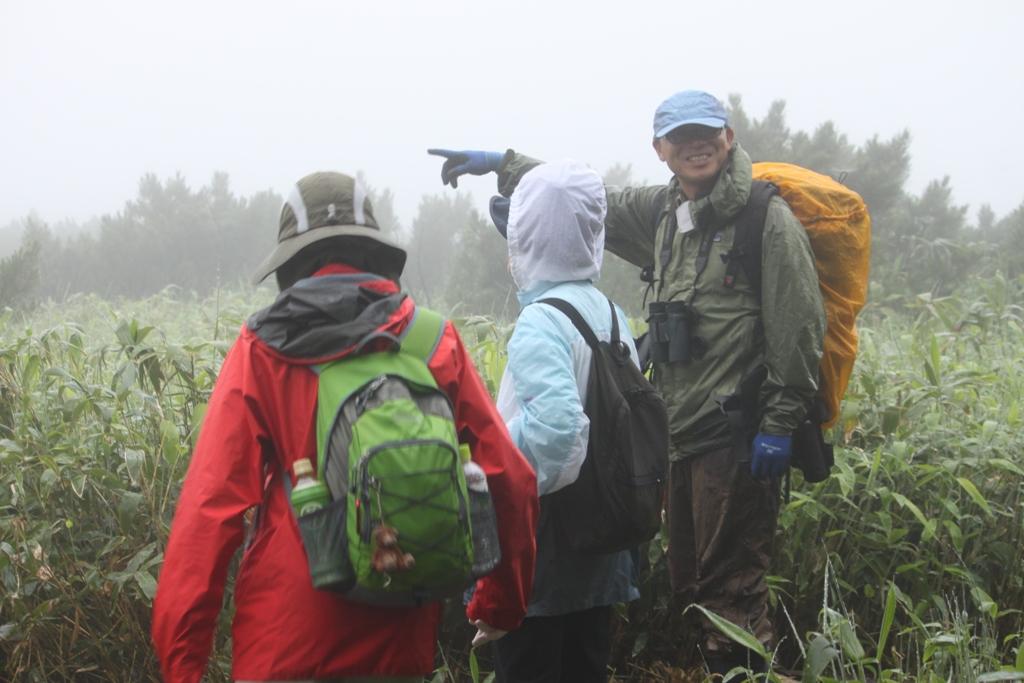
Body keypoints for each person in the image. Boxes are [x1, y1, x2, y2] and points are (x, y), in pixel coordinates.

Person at [428, 89, 825, 678]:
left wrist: (781, 422)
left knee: (732, 596)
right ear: (660, 148)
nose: (696, 145)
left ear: (729, 137)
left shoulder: (765, 219)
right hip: (678, 437)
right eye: (681, 137)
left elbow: (800, 324)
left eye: (707, 133)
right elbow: (582, 199)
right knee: (694, 590)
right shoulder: (663, 212)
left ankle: (748, 671)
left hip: (736, 437)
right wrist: (506, 165)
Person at [151, 171, 539, 683]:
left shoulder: (262, 351)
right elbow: (511, 478)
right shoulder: (434, 341)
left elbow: (209, 510)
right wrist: (500, 604)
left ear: (292, 261)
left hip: (284, 643)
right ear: (372, 251)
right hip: (399, 639)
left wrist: (183, 665)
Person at [484, 160, 640, 682]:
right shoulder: (610, 313)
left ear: (526, 242)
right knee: (584, 666)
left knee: (529, 667)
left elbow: (556, 435)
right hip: (602, 530)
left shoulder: (541, 320)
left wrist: (485, 464)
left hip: (545, 540)